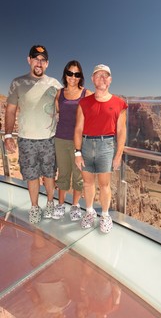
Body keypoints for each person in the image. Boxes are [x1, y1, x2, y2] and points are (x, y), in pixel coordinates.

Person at [4, 45, 62, 224]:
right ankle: (35, 207)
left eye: (42, 60)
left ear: (47, 63)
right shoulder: (17, 83)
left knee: (50, 174)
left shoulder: (54, 84)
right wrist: (7, 135)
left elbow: (68, 103)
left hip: (49, 139)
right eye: (35, 59)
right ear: (29, 60)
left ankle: (50, 204)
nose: (39, 62)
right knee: (31, 176)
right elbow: (11, 111)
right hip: (27, 140)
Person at [74, 64, 128, 233]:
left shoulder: (120, 103)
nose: (102, 79)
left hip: (107, 145)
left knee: (104, 184)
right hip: (86, 144)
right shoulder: (83, 103)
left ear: (110, 80)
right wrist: (77, 152)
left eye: (106, 76)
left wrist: (118, 154)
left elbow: (121, 131)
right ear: (92, 79)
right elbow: (78, 128)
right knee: (88, 183)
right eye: (98, 75)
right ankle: (89, 212)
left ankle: (104, 215)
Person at [52, 60, 92, 221]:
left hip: (79, 142)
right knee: (63, 173)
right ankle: (60, 205)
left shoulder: (86, 94)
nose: (73, 77)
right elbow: (52, 112)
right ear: (65, 74)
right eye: (70, 73)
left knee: (78, 176)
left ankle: (75, 206)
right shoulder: (59, 93)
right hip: (60, 139)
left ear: (80, 76)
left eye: (76, 74)